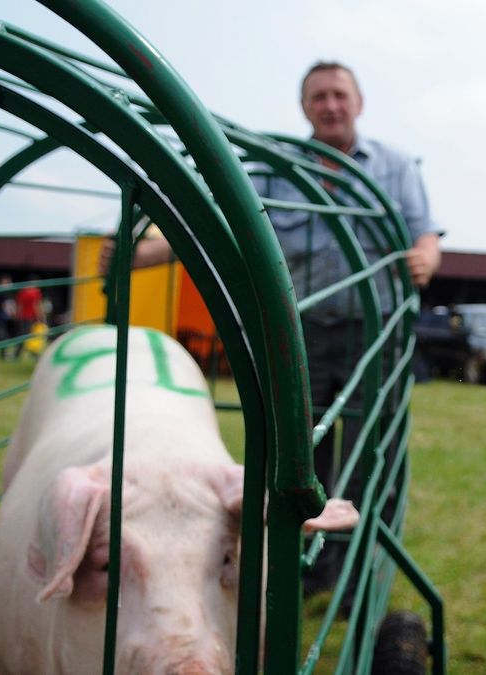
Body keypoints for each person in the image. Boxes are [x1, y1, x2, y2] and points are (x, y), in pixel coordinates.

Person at [122, 61, 443, 602]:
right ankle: (306, 566)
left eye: (339, 94)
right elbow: (221, 226)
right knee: (299, 454)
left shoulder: (394, 166)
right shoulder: (276, 169)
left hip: (374, 336)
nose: (330, 105)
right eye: (319, 96)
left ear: (358, 103)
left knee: (367, 454)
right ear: (305, 107)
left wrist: (427, 258)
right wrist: (145, 252)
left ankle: (357, 576)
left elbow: (424, 234)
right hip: (301, 335)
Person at [13, 275, 45, 359]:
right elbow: (37, 305)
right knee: (31, 336)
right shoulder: (36, 292)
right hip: (32, 317)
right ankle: (33, 353)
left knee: (23, 335)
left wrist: (17, 316)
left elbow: (19, 306)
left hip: (23, 317)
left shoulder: (22, 292)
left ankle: (17, 354)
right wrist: (40, 317)